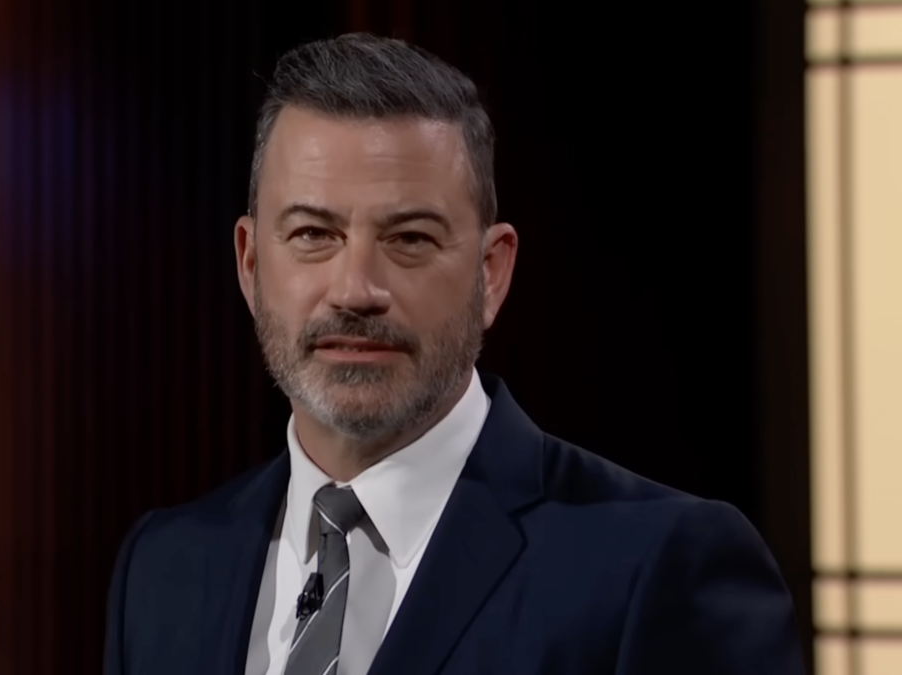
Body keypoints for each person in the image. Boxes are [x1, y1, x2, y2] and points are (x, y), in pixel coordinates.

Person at [104, 33, 804, 675]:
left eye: (409, 238)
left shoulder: (659, 564)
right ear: (251, 263)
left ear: (491, 273)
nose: (356, 289)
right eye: (314, 234)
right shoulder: (162, 567)